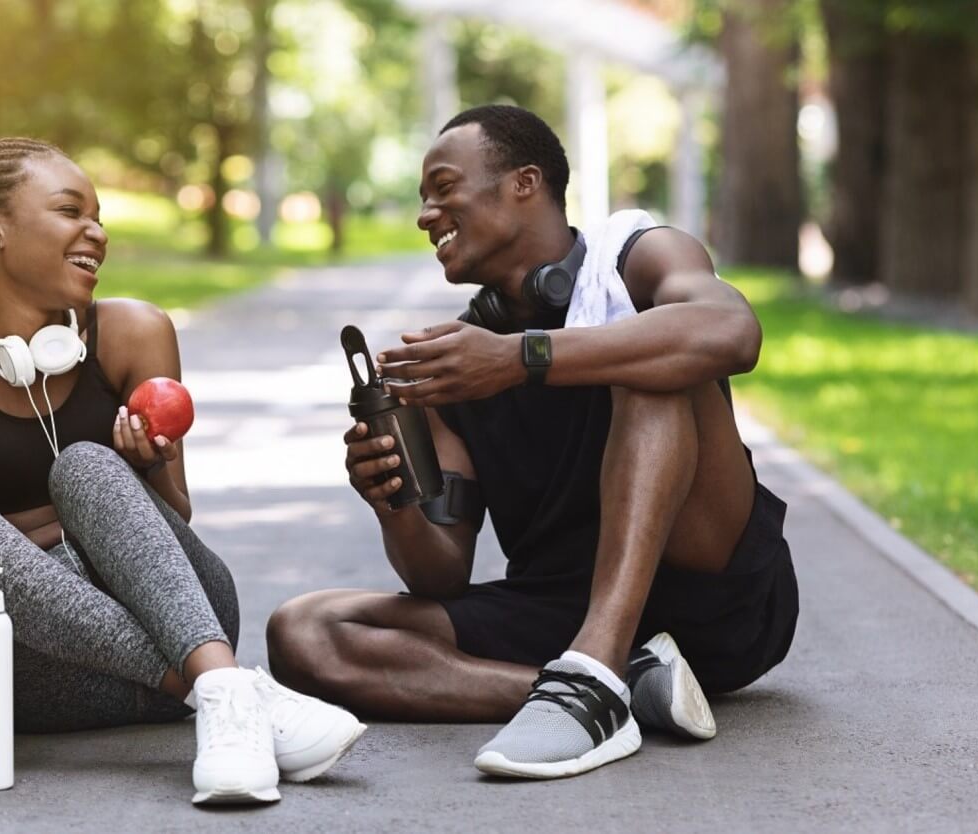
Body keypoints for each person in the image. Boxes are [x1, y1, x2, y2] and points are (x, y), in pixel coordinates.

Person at [266, 105, 798, 780]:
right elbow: (440, 575)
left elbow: (731, 333)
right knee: (306, 632)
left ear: (525, 182)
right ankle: (615, 692)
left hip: (715, 597)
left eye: (444, 187)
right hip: (559, 613)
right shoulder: (455, 364)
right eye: (423, 198)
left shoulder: (638, 257)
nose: (427, 213)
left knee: (651, 353)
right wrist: (393, 502)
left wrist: (522, 358)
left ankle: (595, 673)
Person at [0, 137, 364, 805]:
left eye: (98, 215)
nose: (98, 232)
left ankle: (214, 682)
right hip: (42, 671)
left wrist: (147, 469)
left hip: (187, 625)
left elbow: (174, 518)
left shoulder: (134, 331)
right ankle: (228, 693)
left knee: (87, 464)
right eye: (70, 211)